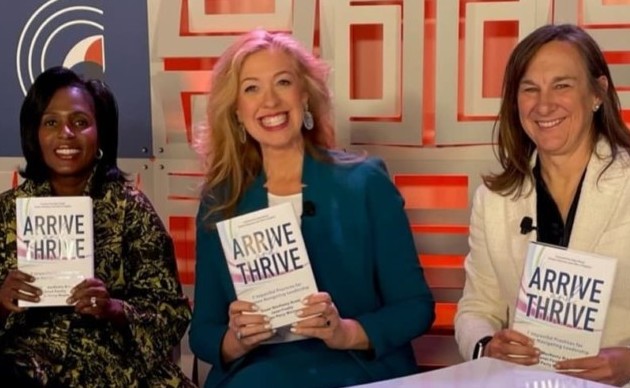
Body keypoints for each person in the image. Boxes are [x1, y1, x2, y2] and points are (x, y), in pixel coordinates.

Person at [189, 29, 435, 387]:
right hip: (258, 373)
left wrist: (348, 333)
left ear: (305, 96)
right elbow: (203, 333)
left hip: (353, 367)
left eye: (283, 82)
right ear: (237, 112)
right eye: (251, 88)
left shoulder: (366, 182)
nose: (270, 101)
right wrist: (235, 340)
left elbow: (415, 306)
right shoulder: (221, 200)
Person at [454, 24, 630, 387]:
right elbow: (476, 308)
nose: (544, 104)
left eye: (562, 85)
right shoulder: (495, 200)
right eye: (529, 89)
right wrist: (487, 346)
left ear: (598, 93)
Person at [0, 66, 194, 387]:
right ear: (34, 133)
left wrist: (115, 309)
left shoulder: (130, 208)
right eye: (51, 122)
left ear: (99, 134)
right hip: (24, 368)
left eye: (80, 122)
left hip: (119, 371)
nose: (66, 133)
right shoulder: (7, 211)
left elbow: (171, 313)